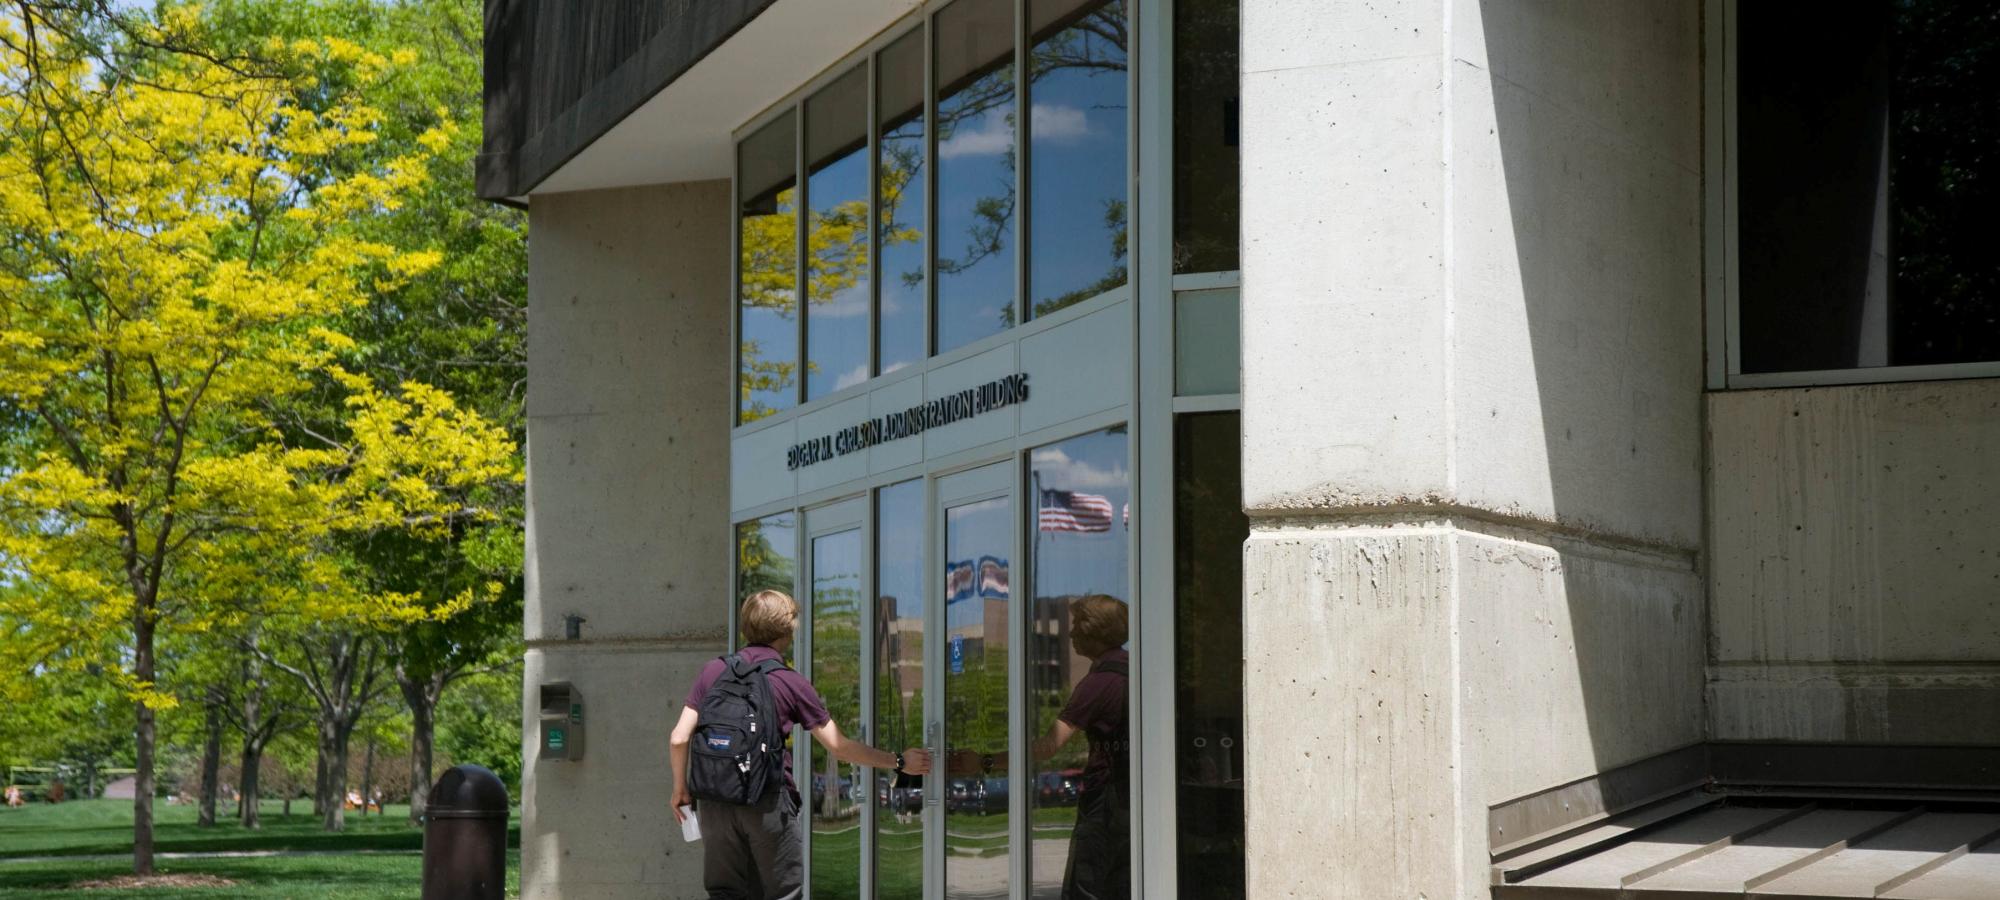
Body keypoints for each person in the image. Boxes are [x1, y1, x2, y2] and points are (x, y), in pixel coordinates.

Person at [670, 589, 930, 900]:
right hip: (766, 803)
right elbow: (838, 746)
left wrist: (680, 789)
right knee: (783, 893)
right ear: (788, 630)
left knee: (724, 893)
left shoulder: (713, 671)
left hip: (714, 803)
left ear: (745, 628)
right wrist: (899, 762)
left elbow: (679, 737)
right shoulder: (789, 681)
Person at [951, 593, 1129, 899]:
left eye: (1078, 625)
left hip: (1106, 805)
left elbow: (1048, 746)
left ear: (1096, 630)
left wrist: (983, 762)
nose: (1072, 632)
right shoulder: (1134, 671)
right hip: (1130, 801)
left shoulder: (1099, 683)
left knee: (1086, 887)